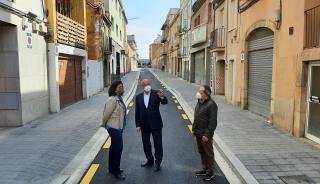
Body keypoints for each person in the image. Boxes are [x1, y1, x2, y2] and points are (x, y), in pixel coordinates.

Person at [135, 79, 168, 172]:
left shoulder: (157, 93)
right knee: (146, 144)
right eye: (145, 84)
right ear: (142, 86)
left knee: (158, 144)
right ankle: (149, 160)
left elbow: (165, 102)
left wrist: (162, 97)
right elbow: (137, 112)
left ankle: (158, 162)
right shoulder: (138, 97)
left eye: (148, 84)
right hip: (144, 125)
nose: (147, 85)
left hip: (156, 124)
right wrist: (137, 124)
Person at [102, 81, 127, 180]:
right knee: (118, 149)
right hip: (114, 128)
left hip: (118, 128)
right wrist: (104, 125)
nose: (122, 88)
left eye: (122, 86)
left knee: (113, 148)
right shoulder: (112, 100)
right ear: (115, 89)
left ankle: (112, 169)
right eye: (120, 87)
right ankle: (116, 171)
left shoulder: (119, 99)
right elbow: (106, 114)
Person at [192, 85, 218, 182]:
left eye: (200, 91)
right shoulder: (199, 102)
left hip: (205, 134)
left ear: (206, 93)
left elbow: (213, 122)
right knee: (202, 151)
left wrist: (207, 135)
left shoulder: (212, 105)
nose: (198, 93)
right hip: (198, 132)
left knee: (208, 153)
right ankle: (205, 168)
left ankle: (210, 173)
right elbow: (197, 116)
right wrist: (194, 129)